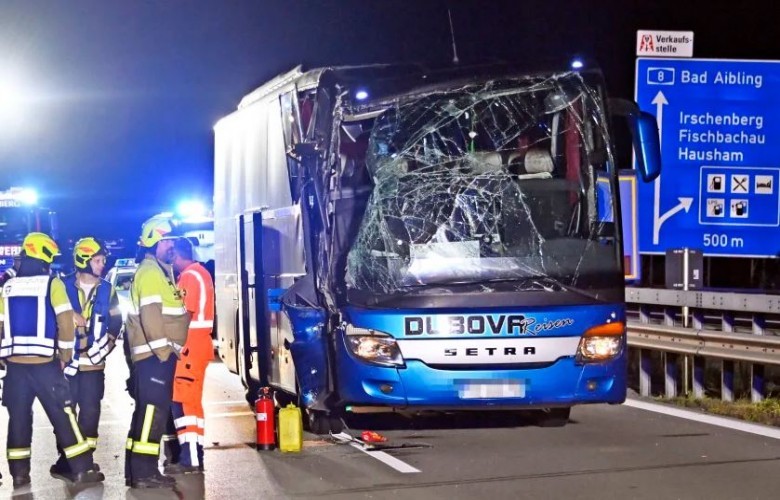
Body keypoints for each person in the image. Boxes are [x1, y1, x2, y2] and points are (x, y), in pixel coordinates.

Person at [0, 232, 104, 488]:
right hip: (46, 365)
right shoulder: (51, 284)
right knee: (64, 416)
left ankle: (20, 474)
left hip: (14, 368)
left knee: (19, 420)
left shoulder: (8, 286)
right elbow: (65, 321)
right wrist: (65, 356)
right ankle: (81, 470)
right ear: (44, 255)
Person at [49, 237, 122, 481]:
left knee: (90, 411)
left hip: (94, 363)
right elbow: (53, 317)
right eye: (98, 260)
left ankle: (86, 458)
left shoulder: (107, 289)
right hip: (66, 363)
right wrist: (71, 315)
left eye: (102, 260)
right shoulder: (61, 285)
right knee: (66, 411)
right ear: (84, 260)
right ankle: (66, 458)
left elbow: (116, 321)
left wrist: (105, 348)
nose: (103, 264)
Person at [124, 218, 189, 489]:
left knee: (146, 414)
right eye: (166, 241)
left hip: (155, 358)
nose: (171, 245)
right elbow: (151, 317)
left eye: (172, 241)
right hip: (154, 359)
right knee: (152, 414)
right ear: (153, 243)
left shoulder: (159, 271)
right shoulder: (151, 273)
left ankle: (138, 471)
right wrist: (164, 351)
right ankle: (143, 473)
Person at [165, 237, 215, 474]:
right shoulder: (200, 272)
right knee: (189, 402)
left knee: (184, 404)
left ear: (176, 255)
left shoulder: (189, 276)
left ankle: (190, 458)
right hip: (197, 345)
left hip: (190, 346)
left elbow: (184, 312)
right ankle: (193, 455)